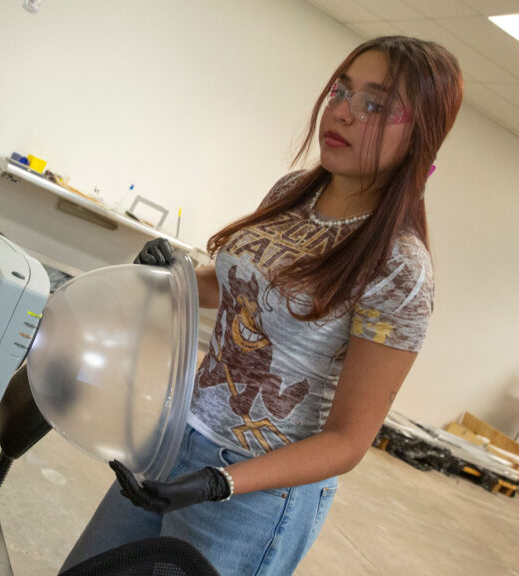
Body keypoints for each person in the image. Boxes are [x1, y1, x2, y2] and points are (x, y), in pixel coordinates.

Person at [60, 36, 463, 575]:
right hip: (177, 437)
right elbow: (234, 289)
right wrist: (170, 274)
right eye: (341, 90)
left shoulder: (399, 269)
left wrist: (218, 483)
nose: (341, 110)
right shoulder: (293, 191)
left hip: (250, 493)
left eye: (375, 104)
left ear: (421, 135)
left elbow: (346, 441)